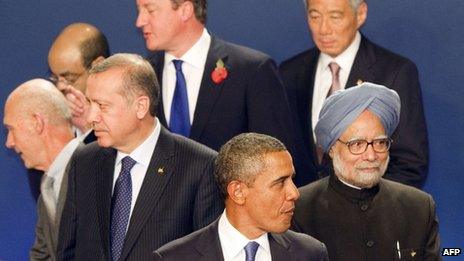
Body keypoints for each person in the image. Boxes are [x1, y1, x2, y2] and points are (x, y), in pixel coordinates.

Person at [57, 53, 223, 260]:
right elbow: (67, 252)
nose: (91, 117)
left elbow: (208, 254)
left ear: (141, 106)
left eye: (102, 106)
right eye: (90, 103)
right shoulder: (85, 161)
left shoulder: (199, 167)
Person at [135, 0, 310, 186]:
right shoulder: (142, 76)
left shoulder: (251, 70)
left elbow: (275, 159)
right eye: (140, 11)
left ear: (185, 10)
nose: (139, 21)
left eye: (150, 10)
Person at [280, 0, 428, 188]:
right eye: (315, 16)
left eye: (335, 16)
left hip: (369, 211)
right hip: (301, 208)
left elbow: (410, 164)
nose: (323, 28)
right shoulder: (289, 72)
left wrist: (364, 208)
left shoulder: (394, 72)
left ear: (360, 14)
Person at [292, 83, 440, 261]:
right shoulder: (297, 209)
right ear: (331, 149)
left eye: (380, 143)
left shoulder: (420, 207)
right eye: (357, 144)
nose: (371, 155)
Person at [153, 133, 328, 261]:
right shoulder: (173, 258)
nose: (294, 193)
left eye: (292, 180)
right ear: (238, 192)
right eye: (280, 182)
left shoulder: (310, 254)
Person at [3, 79, 80, 261]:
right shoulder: (48, 185)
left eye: (11, 129)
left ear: (37, 122)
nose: (9, 142)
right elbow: (42, 256)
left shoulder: (96, 172)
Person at [48, 22, 110, 143]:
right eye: (55, 79)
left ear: (98, 66)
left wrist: (89, 129)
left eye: (70, 79)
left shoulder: (126, 116)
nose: (60, 87)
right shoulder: (54, 121)